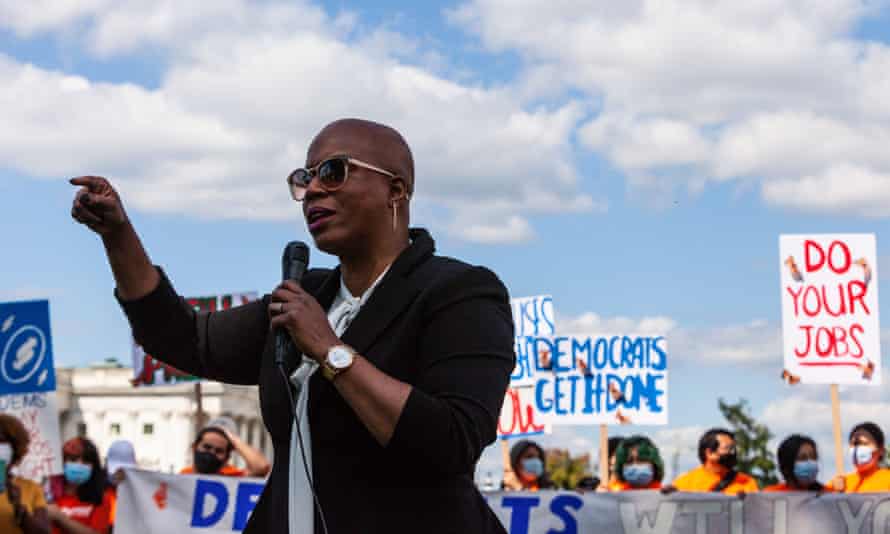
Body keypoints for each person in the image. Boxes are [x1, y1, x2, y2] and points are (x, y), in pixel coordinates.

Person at [70, 118, 515, 534]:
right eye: (304, 178)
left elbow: (453, 439)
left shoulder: (460, 292)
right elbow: (183, 339)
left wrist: (330, 351)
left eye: (333, 171)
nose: (313, 190)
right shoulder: (307, 294)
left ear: (394, 190)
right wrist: (118, 235)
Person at [47, 438, 113, 534]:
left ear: (94, 466)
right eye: (73, 459)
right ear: (62, 462)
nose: (79, 465)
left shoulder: (101, 498)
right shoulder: (48, 494)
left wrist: (61, 518)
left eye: (86, 461)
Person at [667, 428, 758, 495]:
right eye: (727, 448)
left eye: (733, 448)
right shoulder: (685, 483)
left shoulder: (747, 482)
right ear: (709, 453)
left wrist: (747, 503)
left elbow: (758, 515)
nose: (732, 453)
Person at [0, 413, 50, 534]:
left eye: (1, 441)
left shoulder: (31, 488)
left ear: (15, 447)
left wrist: (18, 507)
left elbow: (42, 532)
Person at [180, 419, 270, 477]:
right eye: (207, 447)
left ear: (226, 458)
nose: (211, 453)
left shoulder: (232, 480)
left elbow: (261, 466)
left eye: (219, 451)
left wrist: (230, 436)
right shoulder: (183, 476)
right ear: (194, 447)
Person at [831, 422, 890, 493]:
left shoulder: (888, 480)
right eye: (854, 444)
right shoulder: (840, 484)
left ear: (881, 450)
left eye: (864, 443)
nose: (858, 449)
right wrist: (835, 494)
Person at [104, 440, 137, 533]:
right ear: (106, 464)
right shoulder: (97, 491)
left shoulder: (139, 494)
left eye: (123, 471)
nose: (118, 475)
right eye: (115, 470)